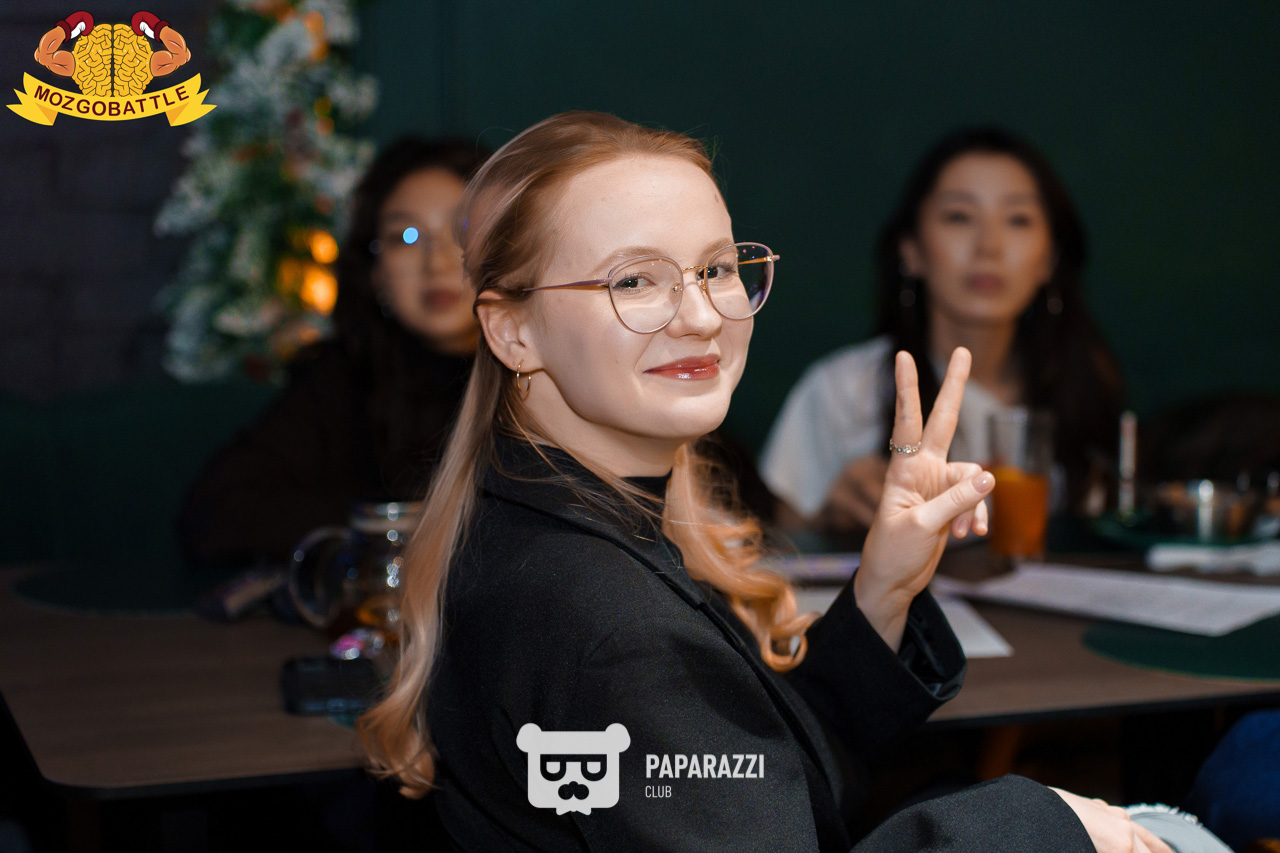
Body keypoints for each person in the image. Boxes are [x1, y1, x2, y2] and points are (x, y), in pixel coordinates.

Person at [358, 111, 1168, 852]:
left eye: (716, 268)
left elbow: (744, 768)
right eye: (634, 280)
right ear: (512, 330)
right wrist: (1040, 824)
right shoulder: (611, 624)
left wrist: (881, 592)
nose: (703, 315)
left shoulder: (545, 514)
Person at [760, 127, 1125, 534]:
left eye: (1018, 219)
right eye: (959, 217)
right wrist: (832, 516)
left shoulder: (1083, 387)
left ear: (1049, 260)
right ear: (911, 250)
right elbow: (780, 539)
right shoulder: (845, 391)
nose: (989, 247)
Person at [177, 137, 490, 566]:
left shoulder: (546, 373)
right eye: (406, 236)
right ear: (376, 274)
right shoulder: (345, 379)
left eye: (462, 229)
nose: (436, 262)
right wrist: (391, 527)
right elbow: (215, 511)